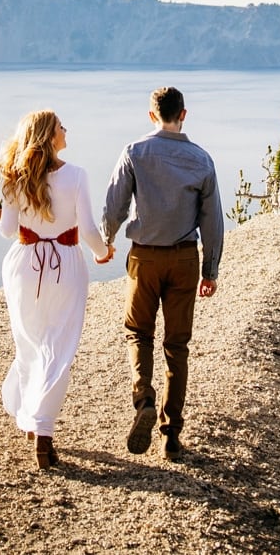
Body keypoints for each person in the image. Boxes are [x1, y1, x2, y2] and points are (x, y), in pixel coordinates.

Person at [100, 86, 223, 462]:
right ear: (183, 114)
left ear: (151, 115)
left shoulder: (134, 152)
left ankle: (144, 400)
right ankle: (171, 435)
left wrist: (106, 239)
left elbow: (114, 204)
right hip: (185, 260)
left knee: (138, 333)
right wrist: (210, 269)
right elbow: (213, 221)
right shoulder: (201, 160)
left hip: (144, 260)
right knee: (177, 345)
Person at [0, 108, 112, 469]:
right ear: (49, 135)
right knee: (58, 348)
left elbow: (6, 230)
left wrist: (3, 210)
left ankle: (32, 420)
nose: (66, 130)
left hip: (23, 264)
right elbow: (90, 230)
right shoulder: (76, 175)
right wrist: (103, 252)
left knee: (30, 344)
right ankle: (42, 432)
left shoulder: (12, 178)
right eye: (61, 126)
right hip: (65, 264)